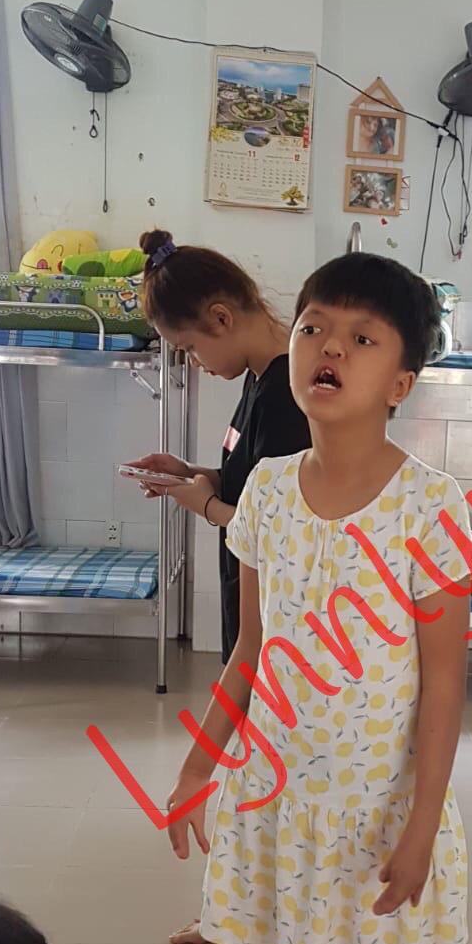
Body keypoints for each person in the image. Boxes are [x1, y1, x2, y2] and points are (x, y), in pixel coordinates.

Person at [163, 252, 472, 944]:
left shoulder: (431, 507)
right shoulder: (264, 493)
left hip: (383, 811)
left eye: (361, 337)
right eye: (312, 328)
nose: (327, 347)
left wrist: (422, 824)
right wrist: (200, 764)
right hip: (276, 802)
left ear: (401, 381)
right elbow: (252, 650)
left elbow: (444, 686)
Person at [125, 230, 310, 665]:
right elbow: (256, 484)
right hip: (251, 598)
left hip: (279, 615)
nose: (194, 362)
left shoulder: (287, 396)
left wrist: (206, 506)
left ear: (221, 318)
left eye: (190, 347)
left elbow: (283, 530)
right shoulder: (259, 378)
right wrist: (191, 474)